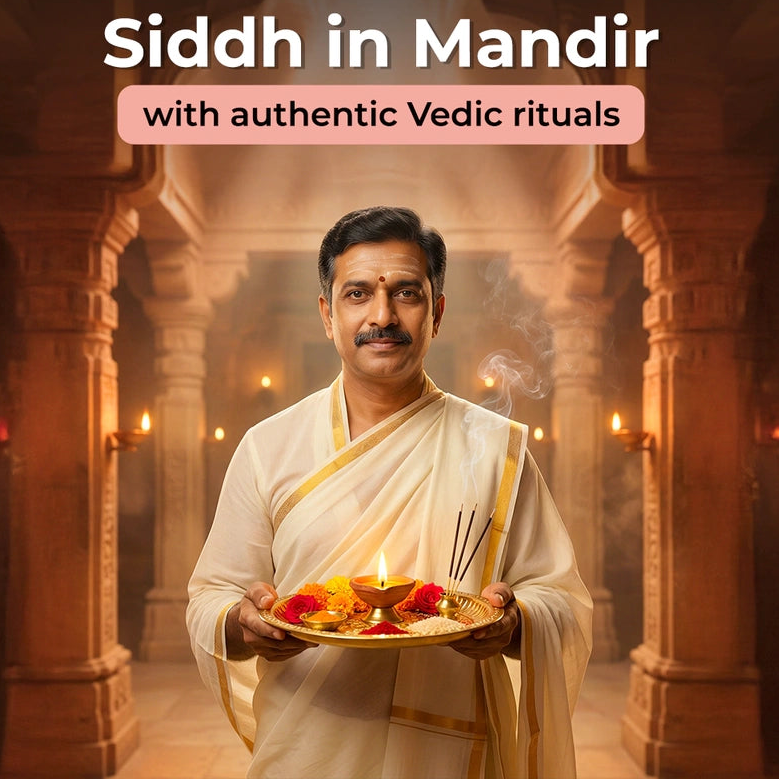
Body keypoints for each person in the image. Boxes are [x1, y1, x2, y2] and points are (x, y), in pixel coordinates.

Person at [187, 207, 592, 779]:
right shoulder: (268, 446)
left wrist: (514, 622)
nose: (382, 315)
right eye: (357, 294)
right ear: (327, 314)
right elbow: (211, 597)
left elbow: (562, 603)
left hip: (451, 752)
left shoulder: (492, 445)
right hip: (307, 746)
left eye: (406, 293)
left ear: (437, 312)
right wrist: (245, 623)